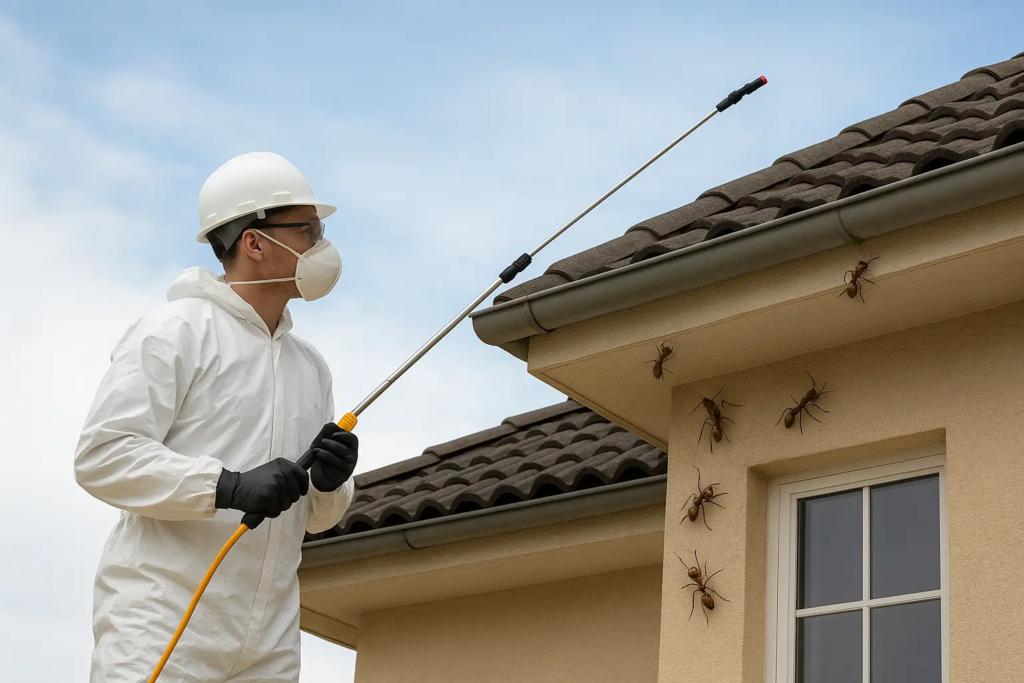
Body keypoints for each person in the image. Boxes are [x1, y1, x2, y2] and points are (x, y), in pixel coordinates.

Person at [74, 152, 358, 682]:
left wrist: (329, 484)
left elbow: (317, 519)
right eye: (308, 230)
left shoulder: (309, 366)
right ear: (254, 242)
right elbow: (103, 457)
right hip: (161, 627)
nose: (320, 245)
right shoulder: (175, 331)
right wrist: (226, 486)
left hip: (268, 646)